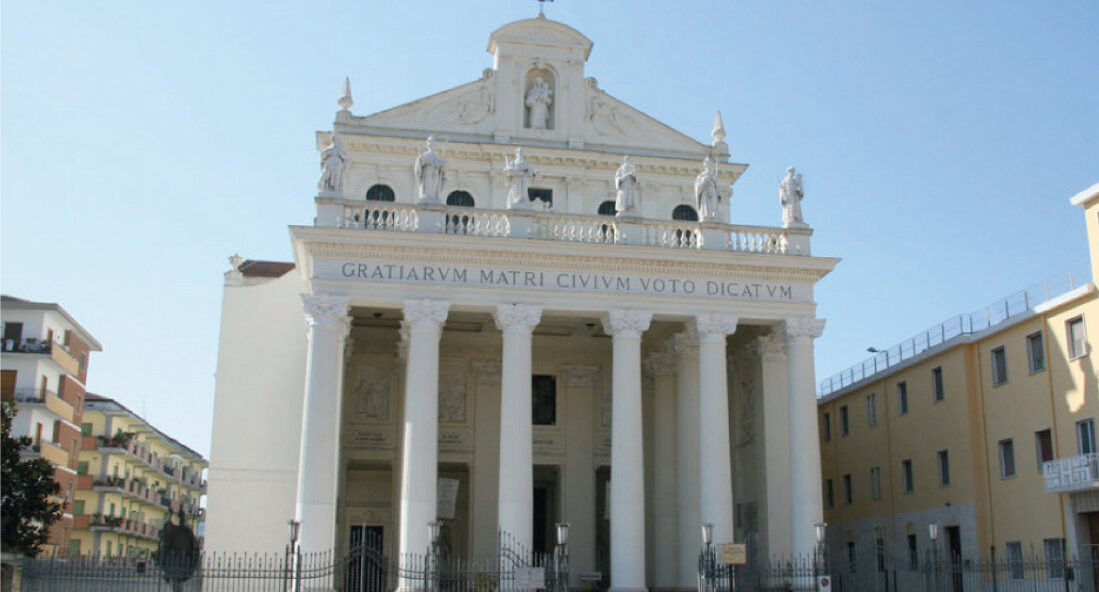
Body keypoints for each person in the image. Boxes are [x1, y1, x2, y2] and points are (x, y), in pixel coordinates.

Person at [413, 136, 447, 203]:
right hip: (427, 173)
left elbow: (442, 168)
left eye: (433, 143)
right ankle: (427, 198)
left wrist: (441, 164)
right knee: (427, 187)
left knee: (434, 188)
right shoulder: (426, 155)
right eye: (430, 142)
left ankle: (433, 198)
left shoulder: (437, 156)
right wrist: (421, 156)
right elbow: (421, 163)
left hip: (435, 175)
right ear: (427, 144)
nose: (431, 144)